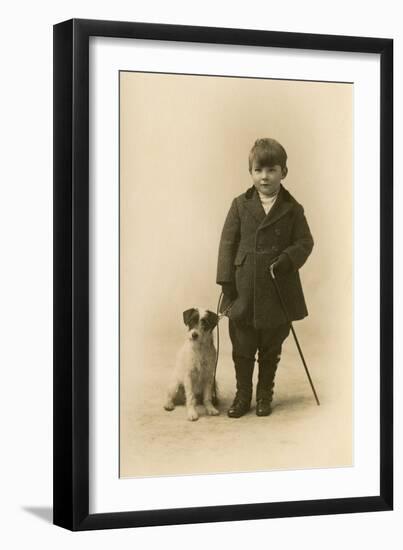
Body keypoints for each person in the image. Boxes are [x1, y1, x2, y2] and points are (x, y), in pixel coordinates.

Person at [216, 138, 314, 418]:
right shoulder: (239, 205)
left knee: (271, 347)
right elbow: (227, 244)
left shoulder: (293, 209)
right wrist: (226, 282)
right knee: (243, 348)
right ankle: (242, 396)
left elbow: (305, 242)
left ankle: (264, 395)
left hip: (277, 290)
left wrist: (287, 259)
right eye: (258, 170)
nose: (264, 177)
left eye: (272, 170)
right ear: (251, 173)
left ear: (284, 172)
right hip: (244, 290)